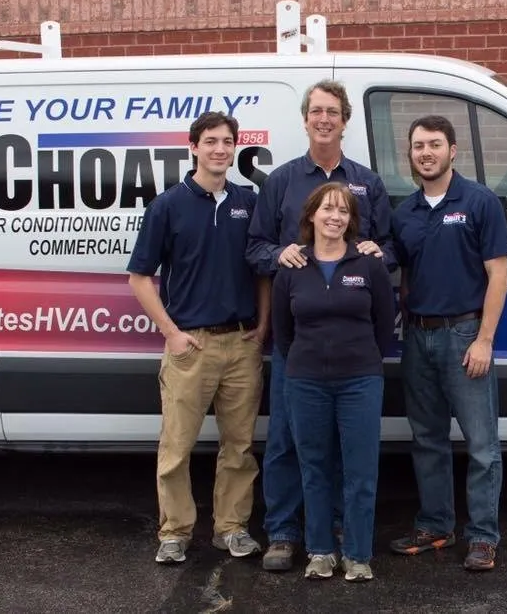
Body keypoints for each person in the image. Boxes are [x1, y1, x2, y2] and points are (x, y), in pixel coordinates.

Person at [246, 79, 396, 572]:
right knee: (288, 441)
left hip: (351, 343)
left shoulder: (367, 183)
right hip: (301, 340)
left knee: (344, 448)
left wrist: (379, 252)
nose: (324, 119)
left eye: (332, 111)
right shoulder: (283, 182)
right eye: (316, 111)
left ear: (345, 120)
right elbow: (255, 246)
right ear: (306, 119)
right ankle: (285, 533)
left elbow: (391, 247)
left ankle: (334, 532)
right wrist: (279, 252)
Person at [127, 111, 269, 565]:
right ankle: (175, 532)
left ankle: (232, 528)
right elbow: (140, 279)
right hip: (192, 346)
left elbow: (263, 270)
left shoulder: (249, 202)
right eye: (210, 141)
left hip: (241, 344)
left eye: (227, 142)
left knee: (240, 446)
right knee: (176, 446)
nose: (220, 149)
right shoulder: (167, 206)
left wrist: (263, 325)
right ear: (193, 146)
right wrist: (171, 333)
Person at [388, 114, 507, 571]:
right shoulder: (405, 213)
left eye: (435, 144)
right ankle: (436, 525)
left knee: (482, 445)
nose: (426, 152)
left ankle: (482, 537)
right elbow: (404, 277)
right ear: (411, 154)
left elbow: (498, 274)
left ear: (452, 150)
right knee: (428, 439)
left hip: (465, 334)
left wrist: (484, 340)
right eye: (418, 145)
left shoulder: (479, 202)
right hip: (418, 337)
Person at [272, 182, 395, 582]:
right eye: (327, 208)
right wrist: (308, 361)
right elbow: (283, 332)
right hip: (305, 382)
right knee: (314, 468)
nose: (334, 216)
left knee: (361, 470)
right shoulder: (291, 267)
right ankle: (321, 552)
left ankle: (358, 555)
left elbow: (384, 328)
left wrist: (360, 359)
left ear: (351, 220)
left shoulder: (369, 265)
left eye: (343, 211)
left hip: (360, 381)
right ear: (311, 215)